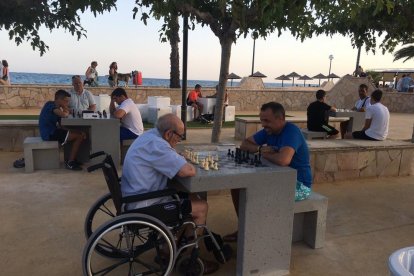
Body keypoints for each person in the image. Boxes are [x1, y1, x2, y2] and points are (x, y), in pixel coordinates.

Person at [121, 113, 219, 274]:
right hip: (144, 205)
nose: (179, 141)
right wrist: (182, 161)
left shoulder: (150, 136)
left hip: (135, 196)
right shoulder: (158, 145)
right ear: (168, 134)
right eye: (179, 137)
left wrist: (175, 157)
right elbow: (188, 171)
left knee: (191, 199)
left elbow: (167, 159)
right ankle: (190, 260)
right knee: (201, 206)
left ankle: (166, 251)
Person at [223, 102, 312, 242]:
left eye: (267, 121)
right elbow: (245, 144)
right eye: (262, 120)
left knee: (258, 193)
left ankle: (258, 234)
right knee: (238, 187)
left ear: (281, 119)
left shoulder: (291, 131)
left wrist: (264, 154)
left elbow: (283, 160)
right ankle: (245, 227)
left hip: (298, 185)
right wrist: (260, 149)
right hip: (278, 178)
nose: (263, 124)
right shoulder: (269, 131)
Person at [39, 90, 86, 170]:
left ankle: (71, 159)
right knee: (79, 137)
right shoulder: (50, 105)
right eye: (66, 101)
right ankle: (70, 162)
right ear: (59, 99)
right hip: (49, 134)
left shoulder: (57, 109)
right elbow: (64, 114)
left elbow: (62, 126)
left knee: (79, 134)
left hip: (53, 132)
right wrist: (65, 109)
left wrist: (77, 131)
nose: (67, 104)